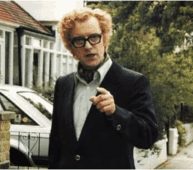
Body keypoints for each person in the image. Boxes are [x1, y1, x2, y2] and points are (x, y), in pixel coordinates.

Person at [48, 7, 158, 169]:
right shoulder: (63, 85)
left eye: (94, 37)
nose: (88, 46)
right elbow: (56, 143)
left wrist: (116, 113)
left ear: (104, 39)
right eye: (79, 40)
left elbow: (148, 137)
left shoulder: (133, 82)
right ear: (71, 48)